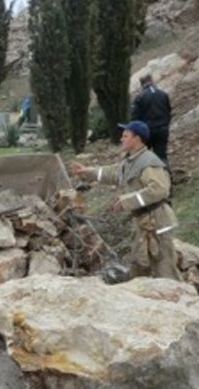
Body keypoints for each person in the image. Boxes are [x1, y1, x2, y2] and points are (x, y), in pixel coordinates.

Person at [69, 120, 180, 280]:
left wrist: (127, 201)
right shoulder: (131, 161)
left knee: (164, 267)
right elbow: (113, 173)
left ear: (137, 139)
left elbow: (159, 190)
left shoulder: (149, 162)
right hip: (143, 223)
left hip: (157, 223)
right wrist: (88, 172)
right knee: (139, 264)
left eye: (126, 136)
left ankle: (178, 300)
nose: (121, 139)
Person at [131, 73, 172, 166]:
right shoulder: (163, 94)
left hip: (147, 131)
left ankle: (146, 177)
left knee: (142, 156)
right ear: (152, 81)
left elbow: (135, 117)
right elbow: (168, 111)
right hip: (162, 129)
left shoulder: (140, 97)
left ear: (141, 84)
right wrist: (165, 124)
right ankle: (165, 176)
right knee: (161, 155)